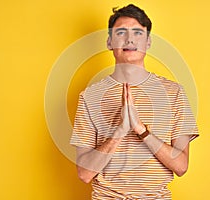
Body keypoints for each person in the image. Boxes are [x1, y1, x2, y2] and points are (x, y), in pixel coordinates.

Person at [70, 4, 199, 199]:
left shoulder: (174, 93)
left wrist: (141, 130)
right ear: (109, 42)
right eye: (121, 33)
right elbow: (85, 173)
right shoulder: (90, 96)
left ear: (148, 42)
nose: (130, 39)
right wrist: (119, 131)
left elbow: (181, 166)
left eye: (138, 33)